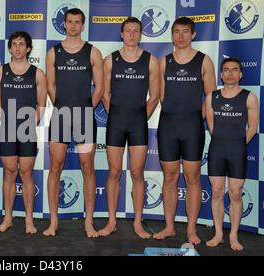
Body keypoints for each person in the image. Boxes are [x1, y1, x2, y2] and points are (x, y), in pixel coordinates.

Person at [154, 17, 216, 244]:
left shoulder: (204, 61)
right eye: (177, 32)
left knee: (192, 177)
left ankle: (191, 230)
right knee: (169, 177)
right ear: (172, 35)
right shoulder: (164, 61)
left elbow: (210, 97)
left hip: (192, 126)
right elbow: (161, 96)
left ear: (194, 35)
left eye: (185, 32)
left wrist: (194, 118)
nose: (180, 36)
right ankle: (169, 226)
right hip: (168, 126)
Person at [44, 8, 104, 238]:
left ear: (82, 24)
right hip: (60, 115)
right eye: (69, 22)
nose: (73, 26)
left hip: (85, 117)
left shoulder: (93, 52)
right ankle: (53, 222)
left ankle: (89, 222)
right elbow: (51, 86)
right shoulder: (53, 52)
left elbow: (99, 87)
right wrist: (61, 106)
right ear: (64, 24)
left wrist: (86, 110)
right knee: (55, 167)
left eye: (77, 22)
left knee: (87, 167)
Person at [99, 17, 159, 239]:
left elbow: (155, 96)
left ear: (141, 34)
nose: (132, 34)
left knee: (137, 173)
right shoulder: (110, 60)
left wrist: (139, 116)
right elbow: (104, 94)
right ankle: (112, 221)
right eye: (128, 31)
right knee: (114, 172)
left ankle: (137, 222)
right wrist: (114, 112)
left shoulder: (151, 61)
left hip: (138, 124)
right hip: (116, 122)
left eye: (136, 31)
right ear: (121, 34)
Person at [0, 31, 47, 234]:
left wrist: (28, 125)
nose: (17, 48)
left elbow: (41, 104)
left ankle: (29, 221)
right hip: (7, 129)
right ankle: (7, 218)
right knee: (9, 173)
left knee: (26, 173)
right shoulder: (0, 72)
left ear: (28, 48)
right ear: (9, 48)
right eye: (14, 44)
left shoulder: (37, 73)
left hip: (27, 130)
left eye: (21, 44)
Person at [205, 57, 258, 251]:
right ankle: (218, 233)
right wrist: (223, 141)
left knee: (235, 193)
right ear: (221, 74)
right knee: (217, 191)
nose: (230, 73)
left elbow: (252, 127)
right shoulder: (212, 97)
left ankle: (233, 235)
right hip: (217, 149)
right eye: (226, 70)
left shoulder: (249, 97)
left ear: (240, 74)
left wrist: (236, 144)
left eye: (234, 70)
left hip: (237, 150)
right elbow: (211, 126)